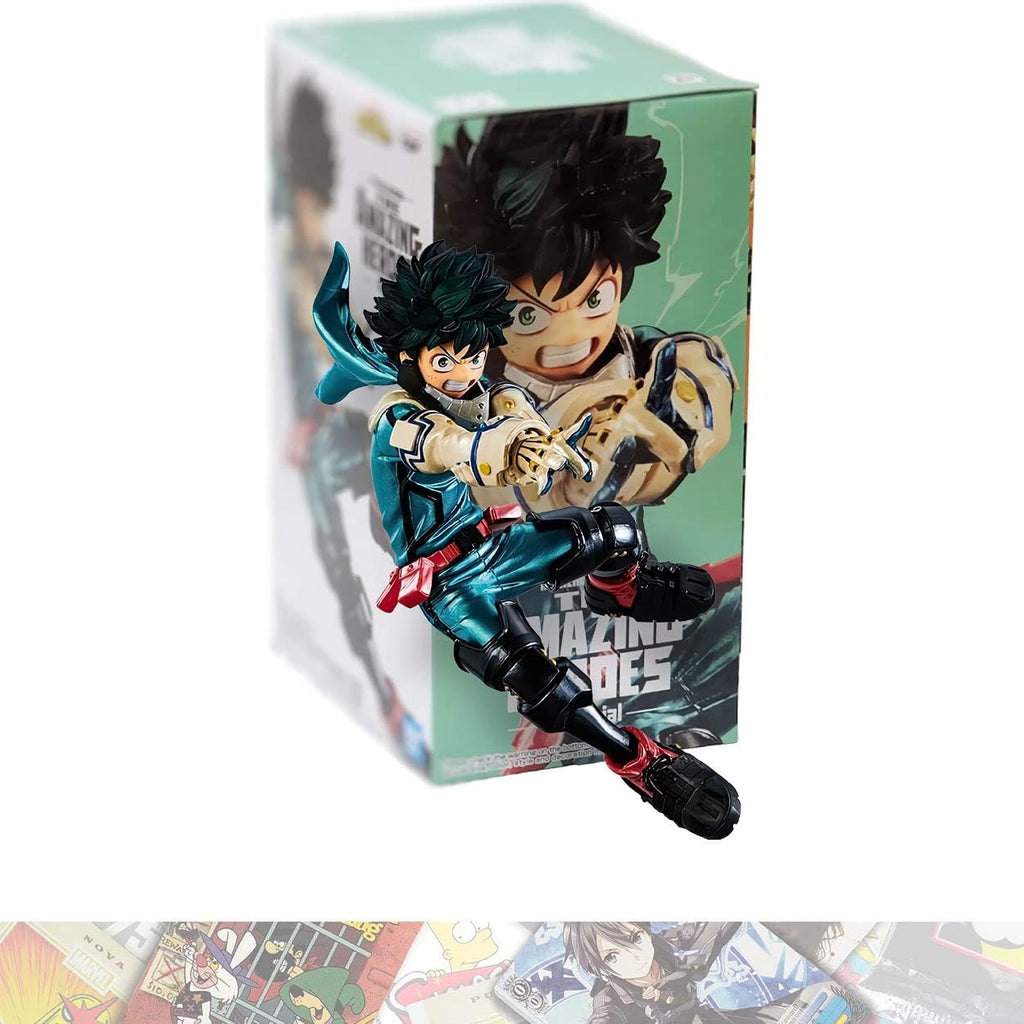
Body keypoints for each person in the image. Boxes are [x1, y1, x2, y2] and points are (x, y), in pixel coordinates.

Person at [310, 239, 740, 839]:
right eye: (444, 361)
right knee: (539, 678)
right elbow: (453, 446)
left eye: (472, 356)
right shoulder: (400, 420)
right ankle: (637, 759)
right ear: (411, 357)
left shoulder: (479, 392)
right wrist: (506, 446)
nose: (463, 373)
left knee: (614, 528)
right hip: (451, 585)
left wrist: (535, 433)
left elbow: (510, 407)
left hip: (497, 546)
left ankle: (618, 590)